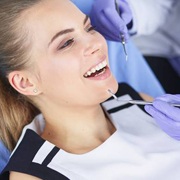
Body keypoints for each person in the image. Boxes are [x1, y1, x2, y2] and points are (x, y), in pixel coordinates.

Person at [0, 0, 180, 179]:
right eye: (66, 43)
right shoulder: (35, 175)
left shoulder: (138, 102)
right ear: (26, 83)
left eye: (89, 28)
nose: (96, 43)